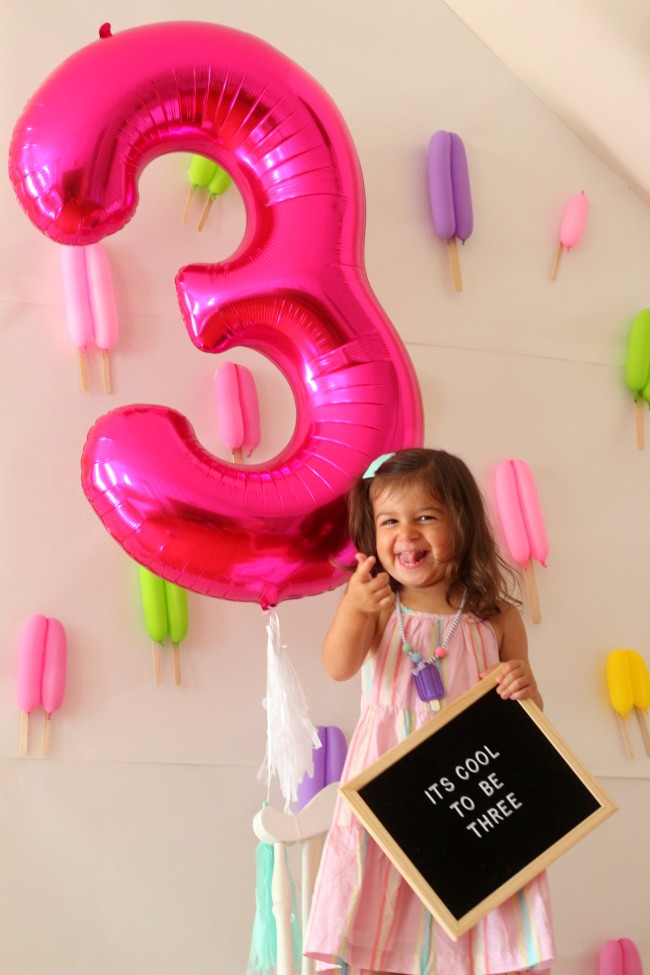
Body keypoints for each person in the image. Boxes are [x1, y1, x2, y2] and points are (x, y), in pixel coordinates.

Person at [303, 448, 556, 975]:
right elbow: (337, 665)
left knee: (479, 904)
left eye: (426, 518)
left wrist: (525, 687)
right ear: (371, 537)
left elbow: (525, 718)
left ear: (461, 524)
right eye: (390, 522)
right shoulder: (376, 606)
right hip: (392, 786)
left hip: (468, 788)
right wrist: (353, 606)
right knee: (379, 916)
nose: (407, 535)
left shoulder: (495, 617)